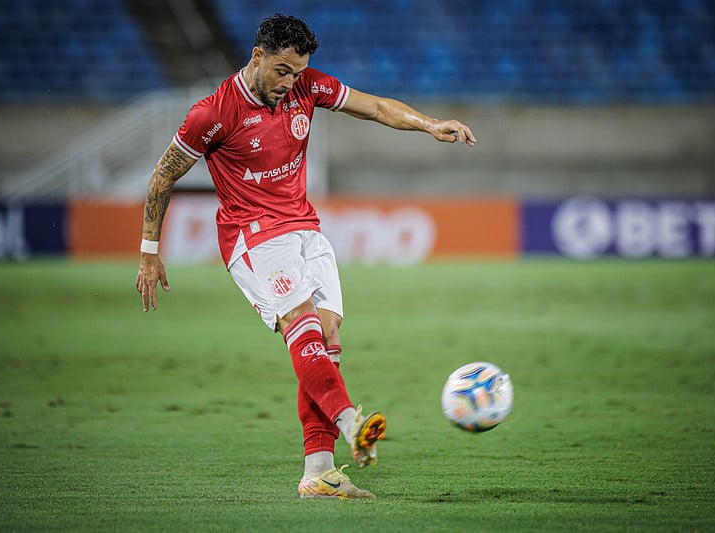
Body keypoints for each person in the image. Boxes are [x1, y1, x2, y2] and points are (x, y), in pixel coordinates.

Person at [135, 13, 476, 500]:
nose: (290, 83)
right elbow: (162, 177)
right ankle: (351, 419)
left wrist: (429, 125)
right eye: (281, 71)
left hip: (305, 229)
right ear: (258, 56)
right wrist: (150, 252)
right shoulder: (213, 113)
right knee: (301, 323)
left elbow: (376, 107)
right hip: (252, 237)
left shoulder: (306, 87)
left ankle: (319, 472)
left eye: (297, 72)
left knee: (328, 333)